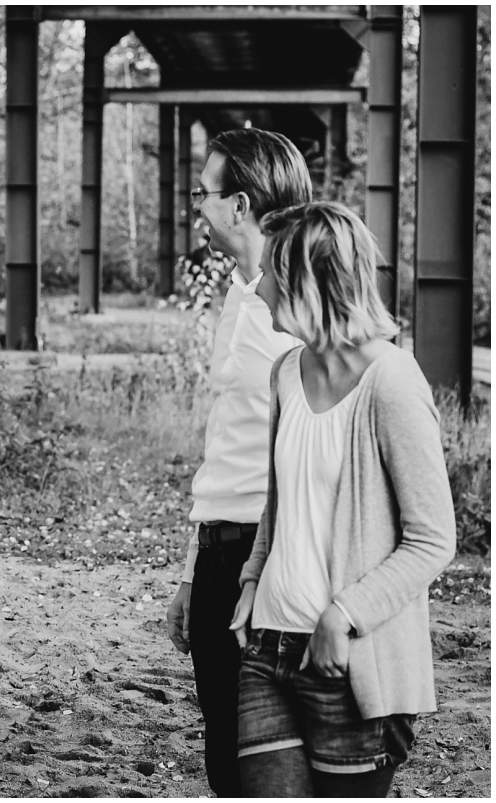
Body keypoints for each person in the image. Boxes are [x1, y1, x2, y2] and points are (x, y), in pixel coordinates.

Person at [228, 201, 456, 796]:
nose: (261, 286)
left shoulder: (393, 380)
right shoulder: (285, 371)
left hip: (346, 661)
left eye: (273, 271)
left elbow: (432, 538)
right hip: (267, 649)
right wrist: (252, 583)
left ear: (307, 279)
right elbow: (279, 506)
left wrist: (344, 615)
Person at [163, 128, 313, 796]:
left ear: (240, 205)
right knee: (226, 753)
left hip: (274, 556)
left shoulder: (302, 306)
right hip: (221, 548)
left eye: (205, 191)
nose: (198, 204)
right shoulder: (238, 292)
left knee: (271, 759)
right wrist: (194, 569)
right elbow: (226, 442)